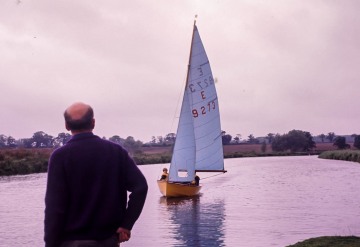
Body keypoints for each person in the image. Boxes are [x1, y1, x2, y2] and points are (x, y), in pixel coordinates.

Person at [44, 102, 148, 247]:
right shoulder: (116, 152)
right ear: (93, 122)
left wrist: (50, 244)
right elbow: (140, 187)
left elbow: (55, 208)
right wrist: (126, 225)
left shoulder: (60, 157)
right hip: (108, 241)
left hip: (71, 242)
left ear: (67, 126)